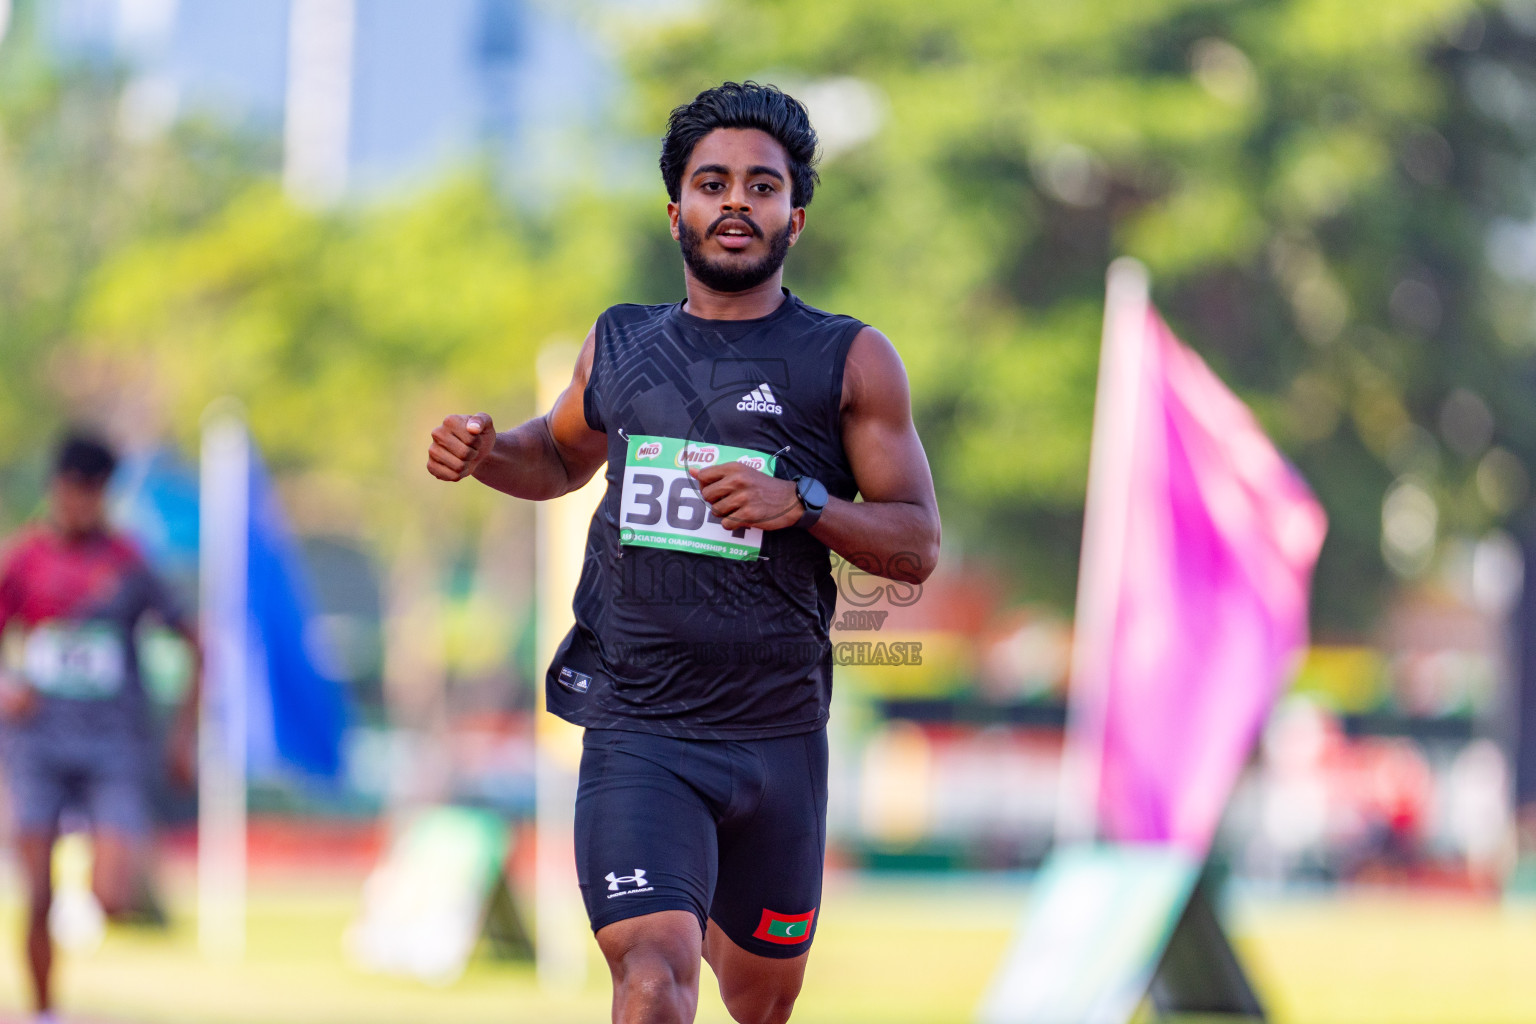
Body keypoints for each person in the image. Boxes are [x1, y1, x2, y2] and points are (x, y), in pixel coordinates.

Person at [428, 81, 940, 1024]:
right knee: (654, 976)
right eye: (713, 184)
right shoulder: (621, 344)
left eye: (761, 185)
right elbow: (554, 456)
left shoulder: (851, 360)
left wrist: (805, 503)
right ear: (677, 215)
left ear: (796, 215)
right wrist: (485, 454)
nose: (736, 202)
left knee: (760, 1003)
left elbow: (915, 545)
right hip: (640, 725)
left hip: (779, 735)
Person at [0, 432, 199, 1024]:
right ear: (56, 487)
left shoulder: (126, 564)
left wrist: (182, 736)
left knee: (112, 897)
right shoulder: (24, 560)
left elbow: (195, 643)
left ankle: (96, 879)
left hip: (114, 744)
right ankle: (44, 1012)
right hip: (37, 744)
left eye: (96, 492)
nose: (84, 502)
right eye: (75, 489)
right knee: (36, 892)